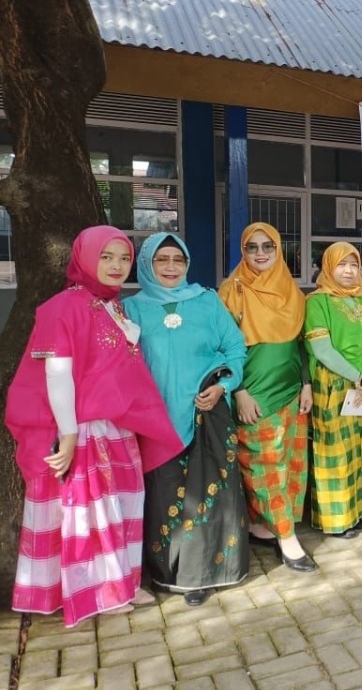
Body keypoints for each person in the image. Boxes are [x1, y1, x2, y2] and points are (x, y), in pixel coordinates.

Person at [6, 226, 183, 625]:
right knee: (92, 513)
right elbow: (56, 373)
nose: (117, 266)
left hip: (117, 427)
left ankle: (123, 582)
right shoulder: (61, 307)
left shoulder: (111, 305)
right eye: (106, 257)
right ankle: (102, 591)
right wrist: (68, 434)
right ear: (85, 258)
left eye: (124, 258)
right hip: (84, 430)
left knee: (121, 508)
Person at [124, 232, 249, 607]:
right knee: (167, 497)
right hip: (156, 423)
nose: (171, 267)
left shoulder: (206, 301)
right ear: (146, 264)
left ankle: (210, 574)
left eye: (178, 259)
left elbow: (235, 347)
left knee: (212, 498)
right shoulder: (130, 309)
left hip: (206, 415)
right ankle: (172, 575)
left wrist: (224, 386)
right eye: (162, 259)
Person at [219, 222, 316, 573]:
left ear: (278, 250)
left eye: (267, 246)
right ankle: (288, 539)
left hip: (291, 393)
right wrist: (239, 391)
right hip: (255, 395)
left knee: (290, 466)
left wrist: (306, 384)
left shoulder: (292, 292)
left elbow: (300, 344)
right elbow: (221, 349)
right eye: (252, 247)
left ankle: (263, 526)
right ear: (242, 251)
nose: (260, 253)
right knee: (264, 467)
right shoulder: (230, 292)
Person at [304, 242, 362, 539]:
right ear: (328, 267)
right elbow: (322, 349)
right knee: (333, 453)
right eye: (341, 264)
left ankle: (353, 512)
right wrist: (357, 376)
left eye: (354, 265)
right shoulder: (317, 302)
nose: (349, 271)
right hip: (333, 386)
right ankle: (335, 520)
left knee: (356, 450)